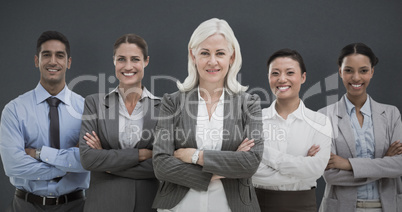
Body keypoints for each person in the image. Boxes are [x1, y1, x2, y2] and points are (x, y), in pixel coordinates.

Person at [152, 18, 263, 212]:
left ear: (232, 57)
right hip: (179, 206)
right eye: (205, 53)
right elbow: (161, 164)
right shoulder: (173, 102)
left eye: (220, 53)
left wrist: (195, 156)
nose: (212, 61)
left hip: (232, 206)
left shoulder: (249, 103)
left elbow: (250, 163)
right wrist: (217, 171)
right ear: (193, 55)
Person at [0, 31, 89, 212]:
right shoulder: (14, 110)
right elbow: (13, 165)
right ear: (36, 61)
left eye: (60, 55)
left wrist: (39, 153)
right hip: (25, 206)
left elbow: (88, 160)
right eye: (46, 55)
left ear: (68, 62)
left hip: (75, 206)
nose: (53, 61)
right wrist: (66, 167)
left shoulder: (87, 110)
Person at [79, 33, 160, 212]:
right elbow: (88, 158)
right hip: (103, 204)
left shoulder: (163, 107)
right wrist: (142, 154)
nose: (128, 66)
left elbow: (162, 164)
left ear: (146, 61)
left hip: (148, 205)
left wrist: (107, 163)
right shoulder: (94, 103)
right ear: (114, 61)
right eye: (122, 59)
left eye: (135, 59)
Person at [318, 43, 402, 212]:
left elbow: (399, 165)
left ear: (372, 72)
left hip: (387, 207)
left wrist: (348, 164)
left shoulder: (391, 114)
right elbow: (331, 175)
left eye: (363, 71)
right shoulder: (324, 116)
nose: (356, 78)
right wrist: (384, 163)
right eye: (349, 70)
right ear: (340, 72)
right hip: (340, 207)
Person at [252, 49, 332, 211]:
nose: (282, 79)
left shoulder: (320, 121)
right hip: (256, 205)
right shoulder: (253, 120)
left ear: (303, 77)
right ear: (268, 77)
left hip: (303, 205)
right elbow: (250, 171)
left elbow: (315, 170)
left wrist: (264, 153)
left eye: (290, 72)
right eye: (275, 73)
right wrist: (301, 167)